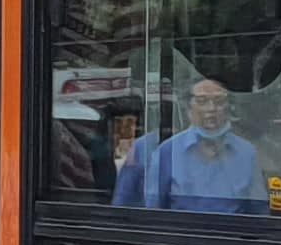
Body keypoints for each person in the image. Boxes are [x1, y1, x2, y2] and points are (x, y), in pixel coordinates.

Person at [113, 77, 268, 214]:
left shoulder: (246, 152)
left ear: (229, 107)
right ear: (188, 109)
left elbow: (259, 213)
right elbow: (154, 213)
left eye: (219, 101)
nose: (211, 109)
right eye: (201, 101)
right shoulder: (167, 151)